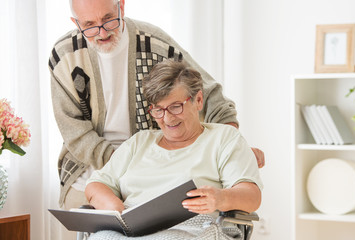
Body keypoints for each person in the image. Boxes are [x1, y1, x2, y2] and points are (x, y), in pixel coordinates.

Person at [49, 0, 264, 214]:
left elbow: (209, 94)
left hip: (154, 155)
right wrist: (127, 168)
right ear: (76, 23)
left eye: (108, 19)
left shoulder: (155, 43)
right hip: (99, 165)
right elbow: (74, 130)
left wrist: (234, 149)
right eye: (89, 25)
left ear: (121, 6)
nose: (102, 32)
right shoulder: (64, 56)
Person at [85, 59, 262, 239]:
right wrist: (115, 207)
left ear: (198, 100)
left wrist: (221, 198)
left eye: (176, 107)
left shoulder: (224, 138)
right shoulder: (138, 143)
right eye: (158, 110)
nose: (168, 118)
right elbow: (96, 184)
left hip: (193, 228)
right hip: (131, 229)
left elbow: (252, 196)